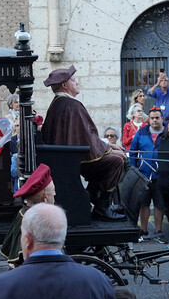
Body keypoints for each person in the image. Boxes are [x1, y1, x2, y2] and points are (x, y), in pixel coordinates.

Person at [41, 64, 127, 221]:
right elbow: (88, 136)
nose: (77, 82)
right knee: (116, 161)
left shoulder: (57, 104)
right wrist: (110, 150)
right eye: (73, 80)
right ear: (65, 85)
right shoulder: (72, 105)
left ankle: (92, 195)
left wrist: (109, 146)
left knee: (114, 157)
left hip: (64, 158)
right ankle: (102, 206)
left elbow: (85, 136)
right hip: (72, 160)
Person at [0, 163, 55, 266]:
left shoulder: (24, 213)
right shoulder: (39, 222)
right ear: (45, 197)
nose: (55, 194)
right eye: (53, 191)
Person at [129, 108, 165, 236]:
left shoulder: (167, 133)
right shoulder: (141, 132)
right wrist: (135, 169)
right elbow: (132, 152)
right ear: (148, 119)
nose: (155, 120)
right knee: (144, 204)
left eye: (157, 118)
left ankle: (158, 230)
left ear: (162, 119)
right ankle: (144, 230)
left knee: (159, 204)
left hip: (160, 175)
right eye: (152, 118)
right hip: (144, 175)